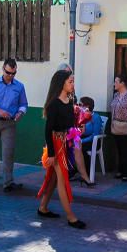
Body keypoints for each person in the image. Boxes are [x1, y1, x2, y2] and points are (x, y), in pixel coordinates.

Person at [36, 70, 86, 229]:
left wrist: (78, 130)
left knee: (54, 178)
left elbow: (70, 126)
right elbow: (47, 129)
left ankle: (43, 207)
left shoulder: (70, 100)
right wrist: (51, 153)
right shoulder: (54, 104)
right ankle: (71, 217)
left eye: (72, 81)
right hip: (56, 145)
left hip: (65, 144)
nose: (72, 84)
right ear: (61, 83)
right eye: (70, 81)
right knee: (62, 180)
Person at [0, 58, 28, 192]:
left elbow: (24, 104)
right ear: (3, 69)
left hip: (9, 124)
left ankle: (8, 182)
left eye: (13, 73)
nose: (11, 76)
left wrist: (20, 113)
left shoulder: (19, 86)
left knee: (8, 152)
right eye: (8, 73)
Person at [78, 96, 103, 177]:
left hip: (93, 141)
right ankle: (73, 170)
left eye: (81, 105)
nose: (79, 106)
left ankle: (86, 173)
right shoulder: (80, 116)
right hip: (83, 138)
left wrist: (82, 141)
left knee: (81, 148)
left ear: (87, 106)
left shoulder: (96, 117)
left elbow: (95, 135)